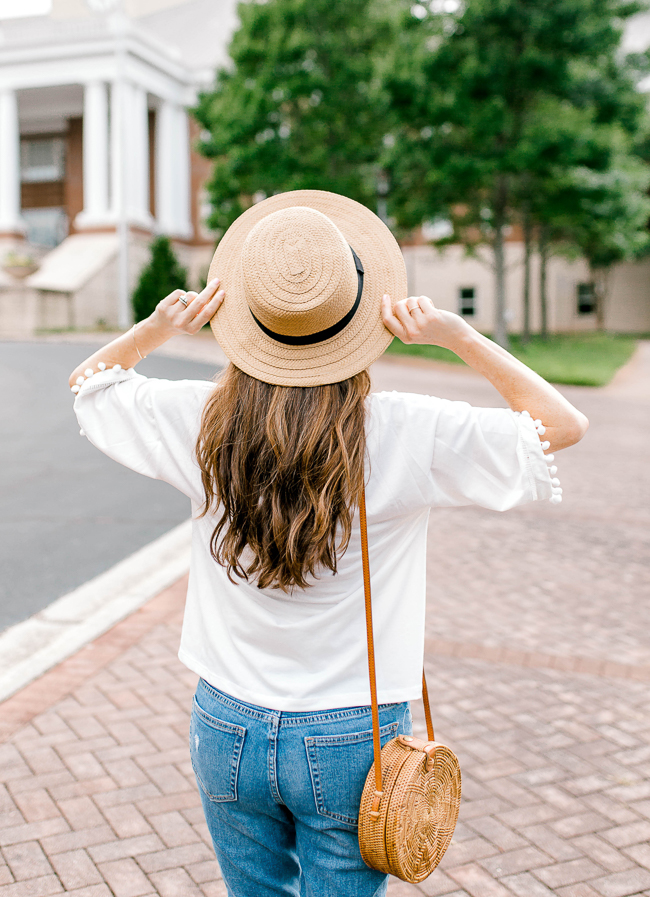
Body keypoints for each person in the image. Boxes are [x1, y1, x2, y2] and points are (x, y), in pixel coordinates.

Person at [69, 191, 588, 897]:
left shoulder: (196, 420)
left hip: (227, 723)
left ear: (246, 318)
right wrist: (458, 336)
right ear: (359, 315)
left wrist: (156, 329)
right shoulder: (404, 430)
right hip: (354, 733)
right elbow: (561, 424)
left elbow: (90, 387)